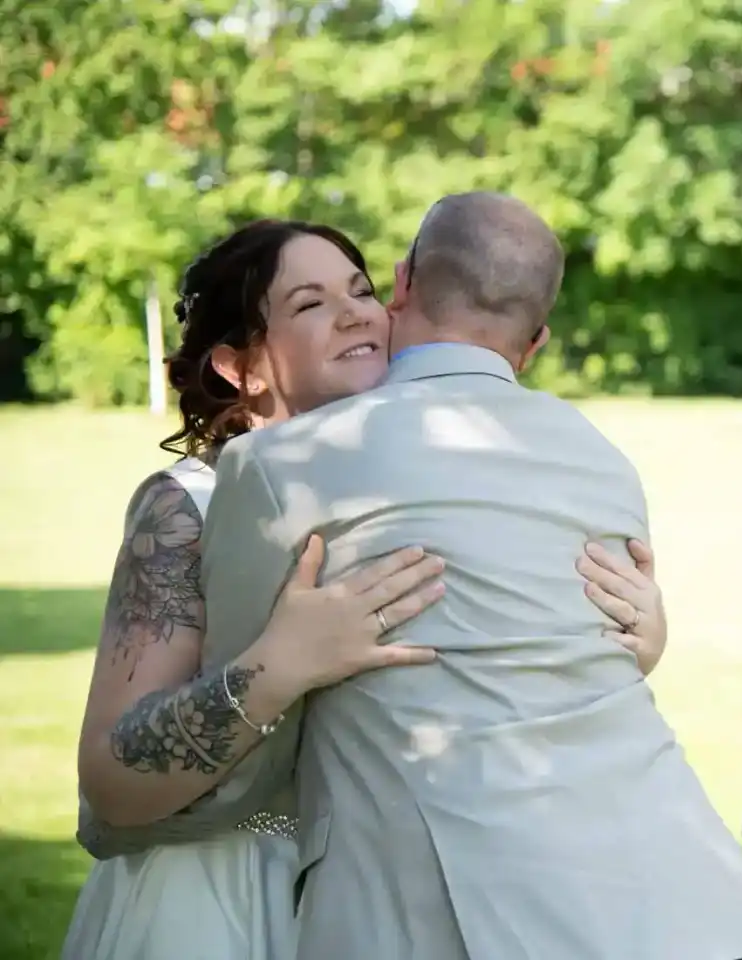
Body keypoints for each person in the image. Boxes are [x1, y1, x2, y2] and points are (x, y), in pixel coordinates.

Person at [185, 193, 742, 960]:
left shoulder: (283, 464)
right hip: (665, 894)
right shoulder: (603, 459)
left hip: (434, 915)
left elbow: (241, 742)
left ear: (401, 285)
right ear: (535, 343)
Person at [61, 219, 668, 960]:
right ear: (239, 367)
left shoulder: (420, 482)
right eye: (310, 303)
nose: (356, 314)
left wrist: (631, 643)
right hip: (228, 896)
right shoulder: (187, 504)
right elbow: (112, 781)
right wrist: (280, 665)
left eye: (360, 290)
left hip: (394, 891)